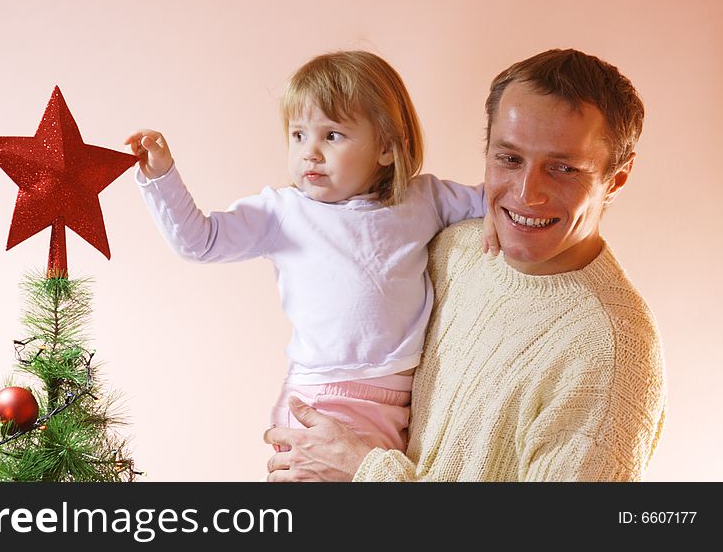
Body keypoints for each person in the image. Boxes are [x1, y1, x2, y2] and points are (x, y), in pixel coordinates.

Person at [264, 48, 667, 481]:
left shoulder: (612, 352)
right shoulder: (452, 250)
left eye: (564, 168)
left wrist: (365, 473)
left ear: (616, 179)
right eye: (509, 159)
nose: (526, 193)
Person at [126, 51, 488, 453]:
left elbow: (496, 202)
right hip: (320, 398)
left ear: (387, 148)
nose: (309, 153)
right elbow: (200, 241)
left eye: (331, 136)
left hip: (399, 398)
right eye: (298, 135)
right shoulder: (283, 211)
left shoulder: (424, 198)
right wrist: (161, 176)